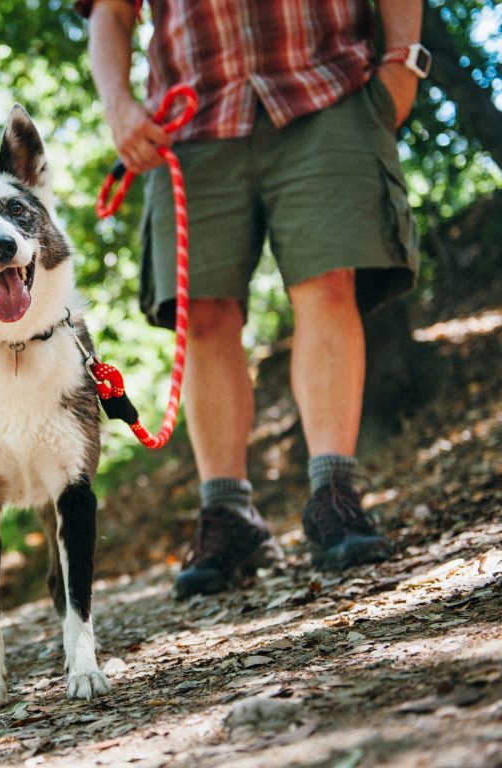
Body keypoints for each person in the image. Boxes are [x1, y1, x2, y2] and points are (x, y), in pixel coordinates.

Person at [76, 0, 426, 599]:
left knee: (327, 283)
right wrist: (118, 108)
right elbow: (109, 12)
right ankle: (229, 514)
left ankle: (334, 493)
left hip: (327, 89)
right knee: (205, 315)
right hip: (187, 121)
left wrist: (403, 65)